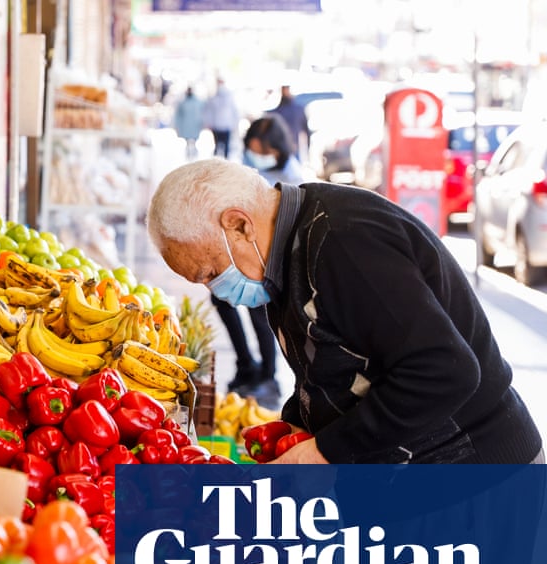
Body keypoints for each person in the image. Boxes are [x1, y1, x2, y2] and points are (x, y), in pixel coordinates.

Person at [147, 158, 542, 465]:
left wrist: (326, 451)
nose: (216, 290)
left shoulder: (344, 244)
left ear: (238, 225)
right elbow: (340, 358)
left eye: (211, 272)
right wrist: (297, 424)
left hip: (478, 474)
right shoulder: (285, 253)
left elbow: (444, 370)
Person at [212, 115, 307, 401]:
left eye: (263, 151)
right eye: (254, 150)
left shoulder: (293, 176)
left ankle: (268, 375)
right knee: (221, 299)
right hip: (241, 251)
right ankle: (246, 364)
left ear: (276, 149)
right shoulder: (248, 165)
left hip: (270, 260)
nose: (258, 156)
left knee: (261, 313)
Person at [268, 85, 309, 161]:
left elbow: (306, 131)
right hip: (280, 151)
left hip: (293, 149)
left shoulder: (298, 109)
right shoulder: (274, 111)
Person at [202, 78, 238, 158]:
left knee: (225, 146)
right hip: (217, 126)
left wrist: (234, 123)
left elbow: (234, 112)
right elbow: (208, 112)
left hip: (226, 126)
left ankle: (225, 163)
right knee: (217, 145)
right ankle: (217, 163)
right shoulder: (213, 98)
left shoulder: (229, 97)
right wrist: (208, 123)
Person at [172, 88, 204, 160]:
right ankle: (188, 153)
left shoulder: (198, 102)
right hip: (186, 125)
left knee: (194, 138)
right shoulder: (182, 103)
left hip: (195, 124)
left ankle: (194, 152)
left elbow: (203, 113)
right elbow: (178, 115)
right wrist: (177, 125)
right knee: (187, 139)